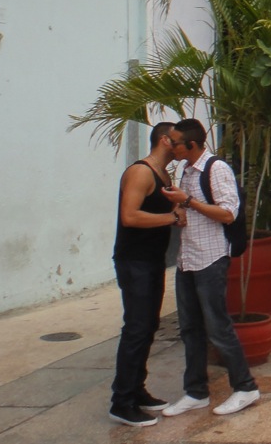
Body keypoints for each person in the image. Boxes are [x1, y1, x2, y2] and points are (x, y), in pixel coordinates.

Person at [160, 119, 260, 417]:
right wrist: (178, 208)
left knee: (218, 328)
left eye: (174, 142)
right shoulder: (187, 170)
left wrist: (188, 201)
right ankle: (196, 392)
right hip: (188, 258)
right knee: (190, 328)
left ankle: (245, 387)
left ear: (191, 145)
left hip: (211, 259)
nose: (170, 146)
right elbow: (190, 213)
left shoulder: (216, 169)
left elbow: (229, 213)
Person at [109, 122, 186, 427]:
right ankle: (121, 401)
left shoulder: (163, 174)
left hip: (152, 260)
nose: (183, 145)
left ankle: (136, 389)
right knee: (137, 328)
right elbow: (129, 216)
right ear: (166, 140)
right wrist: (171, 217)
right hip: (135, 261)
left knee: (148, 325)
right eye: (180, 140)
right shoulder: (141, 172)